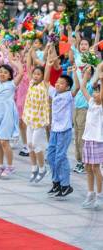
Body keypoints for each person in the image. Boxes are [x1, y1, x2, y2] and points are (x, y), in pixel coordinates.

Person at [45, 46, 80, 199]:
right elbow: (46, 81)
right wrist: (48, 63)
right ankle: (56, 183)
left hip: (64, 130)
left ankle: (66, 185)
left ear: (67, 87)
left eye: (61, 83)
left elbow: (77, 86)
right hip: (54, 130)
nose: (58, 84)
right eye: (58, 83)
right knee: (51, 156)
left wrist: (76, 72)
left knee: (60, 156)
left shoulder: (68, 96)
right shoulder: (54, 93)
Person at [80, 66, 103, 210]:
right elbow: (82, 87)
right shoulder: (91, 103)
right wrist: (86, 73)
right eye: (94, 92)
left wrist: (101, 78)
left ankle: (99, 195)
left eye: (97, 92)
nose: (94, 94)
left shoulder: (101, 106)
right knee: (88, 166)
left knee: (96, 168)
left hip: (98, 139)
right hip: (88, 138)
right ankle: (90, 193)